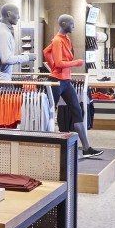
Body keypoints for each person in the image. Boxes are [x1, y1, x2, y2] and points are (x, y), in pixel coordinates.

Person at [42, 13, 100, 157]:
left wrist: (53, 65)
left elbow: (46, 52)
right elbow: (60, 62)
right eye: (72, 24)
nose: (74, 26)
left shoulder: (65, 39)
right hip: (56, 82)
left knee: (77, 111)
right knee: (49, 114)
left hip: (66, 82)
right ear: (63, 24)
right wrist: (76, 63)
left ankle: (86, 148)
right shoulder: (57, 40)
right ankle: (43, 146)